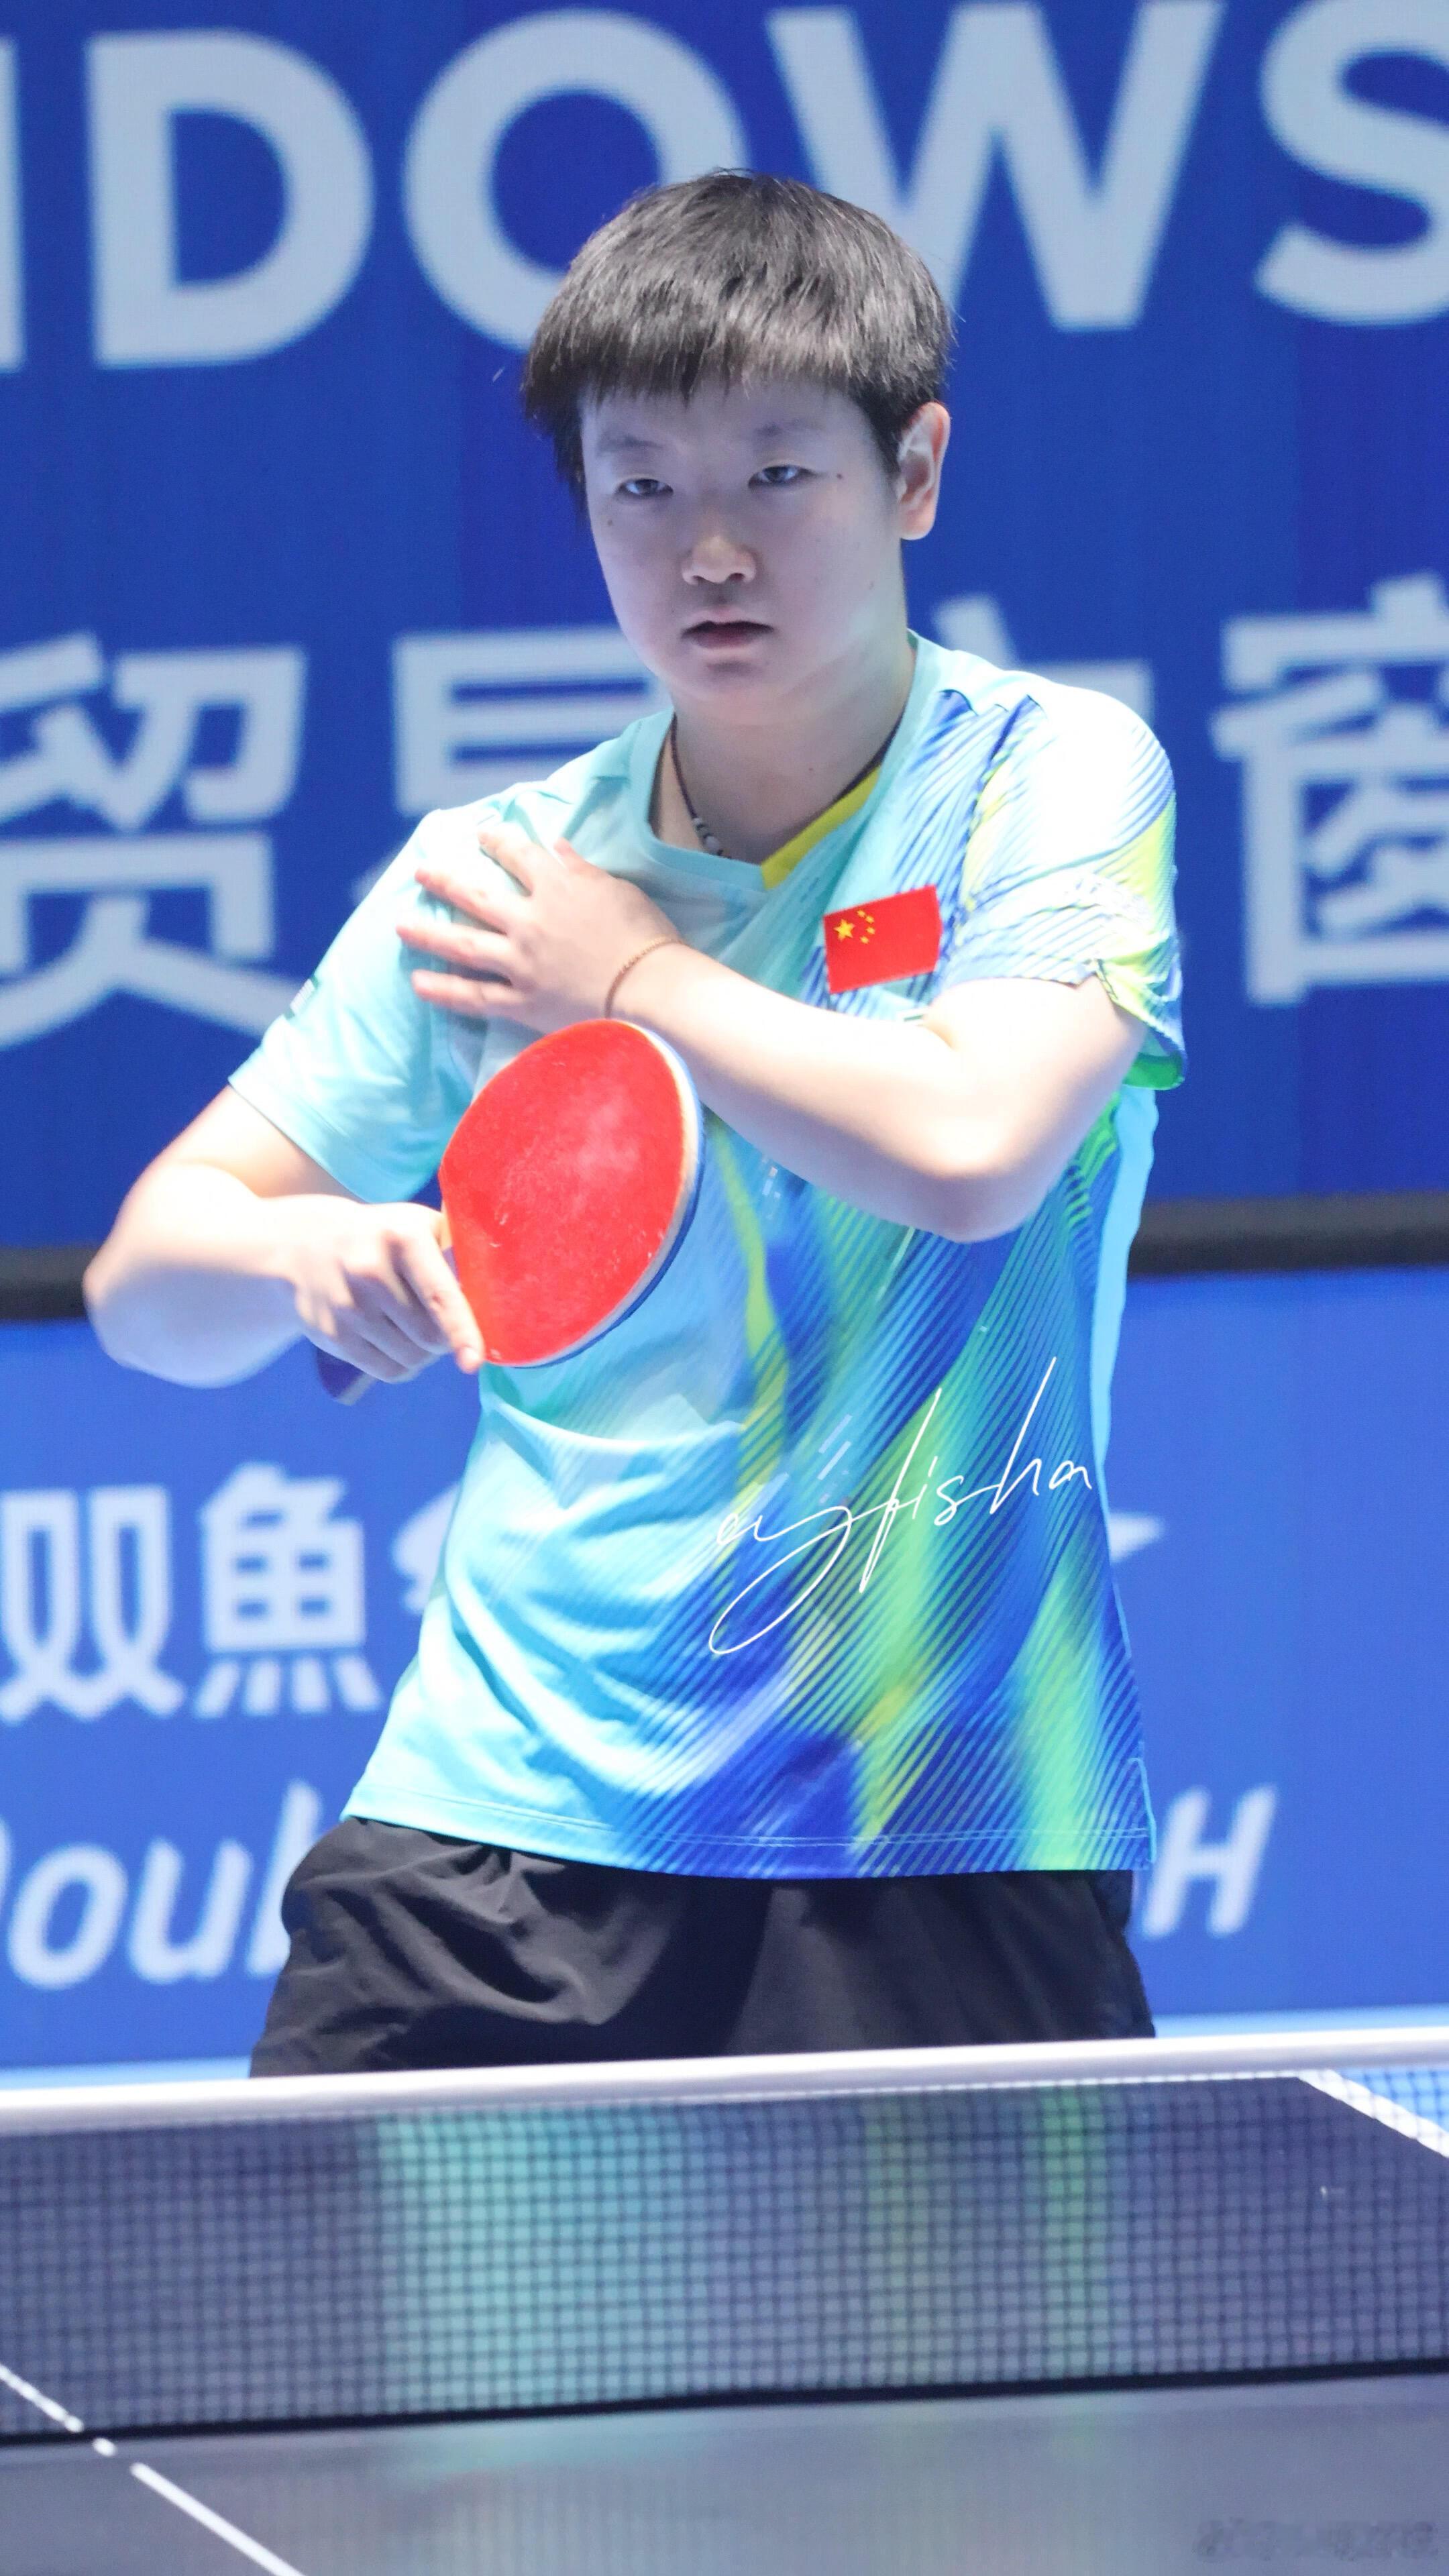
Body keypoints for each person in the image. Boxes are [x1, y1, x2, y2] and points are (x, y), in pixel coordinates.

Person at [86, 174, 1183, 2075]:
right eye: (642, 487)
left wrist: (630, 976)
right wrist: (299, 1250)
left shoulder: (1047, 777)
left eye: (779, 475)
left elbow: (974, 1150)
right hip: (496, 1824)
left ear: (915, 472)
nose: (709, 549)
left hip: (933, 1812)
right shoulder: (495, 879)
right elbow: (145, 1290)